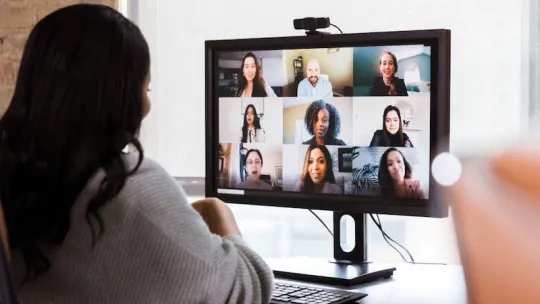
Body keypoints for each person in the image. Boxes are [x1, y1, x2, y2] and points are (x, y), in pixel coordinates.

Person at [0, 4, 273, 303]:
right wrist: (219, 212)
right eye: (146, 90)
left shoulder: (15, 178)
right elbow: (248, 290)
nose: (147, 106)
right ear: (120, 97)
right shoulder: (126, 188)